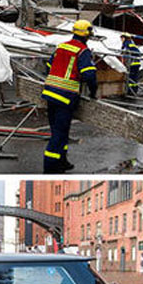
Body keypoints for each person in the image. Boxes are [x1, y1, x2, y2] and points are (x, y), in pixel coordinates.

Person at [41, 19, 97, 174]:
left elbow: (48, 66)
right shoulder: (82, 51)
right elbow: (89, 75)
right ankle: (50, 169)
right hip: (65, 97)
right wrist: (93, 92)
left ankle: (62, 161)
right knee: (58, 135)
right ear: (87, 34)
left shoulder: (61, 46)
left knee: (60, 132)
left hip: (50, 94)